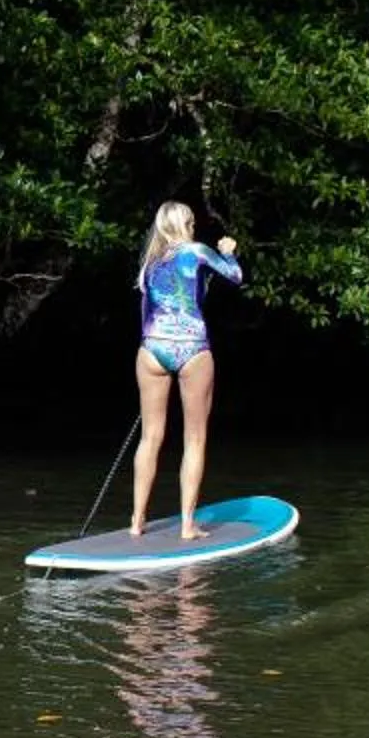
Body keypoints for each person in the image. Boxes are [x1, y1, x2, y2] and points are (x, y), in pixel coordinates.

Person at [129, 201, 243, 539]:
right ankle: (188, 525)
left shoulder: (150, 263)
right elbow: (235, 277)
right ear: (188, 224)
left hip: (151, 350)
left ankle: (137, 522)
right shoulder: (197, 252)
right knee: (194, 438)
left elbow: (145, 311)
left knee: (150, 437)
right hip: (192, 349)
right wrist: (229, 252)